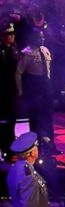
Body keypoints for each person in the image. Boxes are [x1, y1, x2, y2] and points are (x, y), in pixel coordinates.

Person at [15, 30, 54, 154]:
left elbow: (48, 70)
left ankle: (50, 146)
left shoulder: (45, 50)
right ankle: (36, 148)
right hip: (34, 87)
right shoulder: (27, 53)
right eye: (39, 37)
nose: (42, 39)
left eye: (43, 37)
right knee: (35, 119)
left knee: (48, 117)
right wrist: (20, 90)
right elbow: (19, 73)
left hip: (45, 86)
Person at [1, 22, 19, 155]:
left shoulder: (14, 49)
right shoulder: (2, 50)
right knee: (4, 119)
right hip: (3, 89)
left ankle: (11, 143)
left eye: (13, 34)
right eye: (9, 34)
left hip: (12, 88)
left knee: (12, 118)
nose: (12, 37)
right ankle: (4, 145)